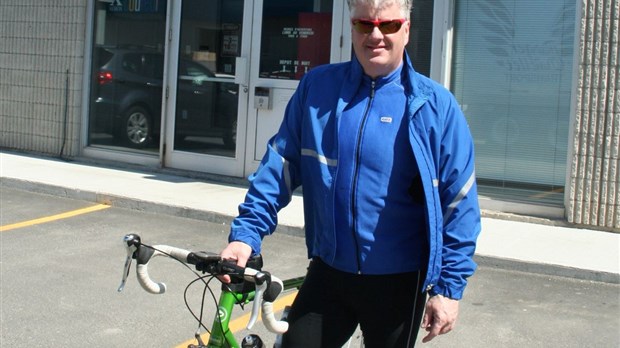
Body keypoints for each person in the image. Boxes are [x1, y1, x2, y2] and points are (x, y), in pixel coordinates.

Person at [220, 0, 481, 346]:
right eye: (364, 24)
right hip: (330, 273)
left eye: (387, 25)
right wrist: (246, 234)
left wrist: (449, 289)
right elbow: (279, 165)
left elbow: (460, 203)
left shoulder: (435, 106)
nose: (375, 35)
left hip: (399, 283)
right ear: (351, 26)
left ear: (406, 28)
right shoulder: (317, 89)